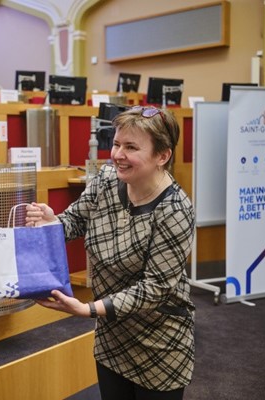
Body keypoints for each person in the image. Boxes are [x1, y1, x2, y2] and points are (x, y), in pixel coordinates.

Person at [26, 106, 195, 400]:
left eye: (131, 147)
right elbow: (74, 221)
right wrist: (52, 222)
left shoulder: (176, 210)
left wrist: (88, 309)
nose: (118, 154)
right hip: (111, 338)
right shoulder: (106, 180)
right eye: (116, 144)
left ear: (162, 156)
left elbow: (154, 289)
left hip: (159, 344)